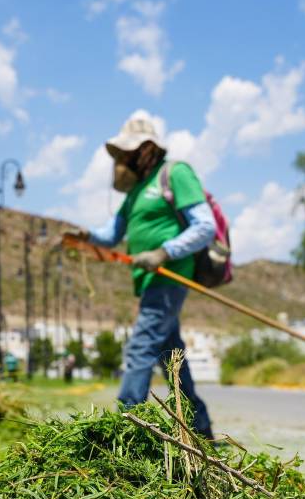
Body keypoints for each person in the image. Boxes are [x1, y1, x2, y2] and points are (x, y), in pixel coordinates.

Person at [82, 115, 215, 438]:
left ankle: (126, 428)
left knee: (141, 347)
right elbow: (111, 233)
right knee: (171, 356)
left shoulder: (174, 173)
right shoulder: (136, 193)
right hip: (150, 283)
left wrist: (163, 252)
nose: (121, 162)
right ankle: (200, 428)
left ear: (146, 150)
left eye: (125, 154)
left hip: (169, 277)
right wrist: (84, 236)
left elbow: (205, 226)